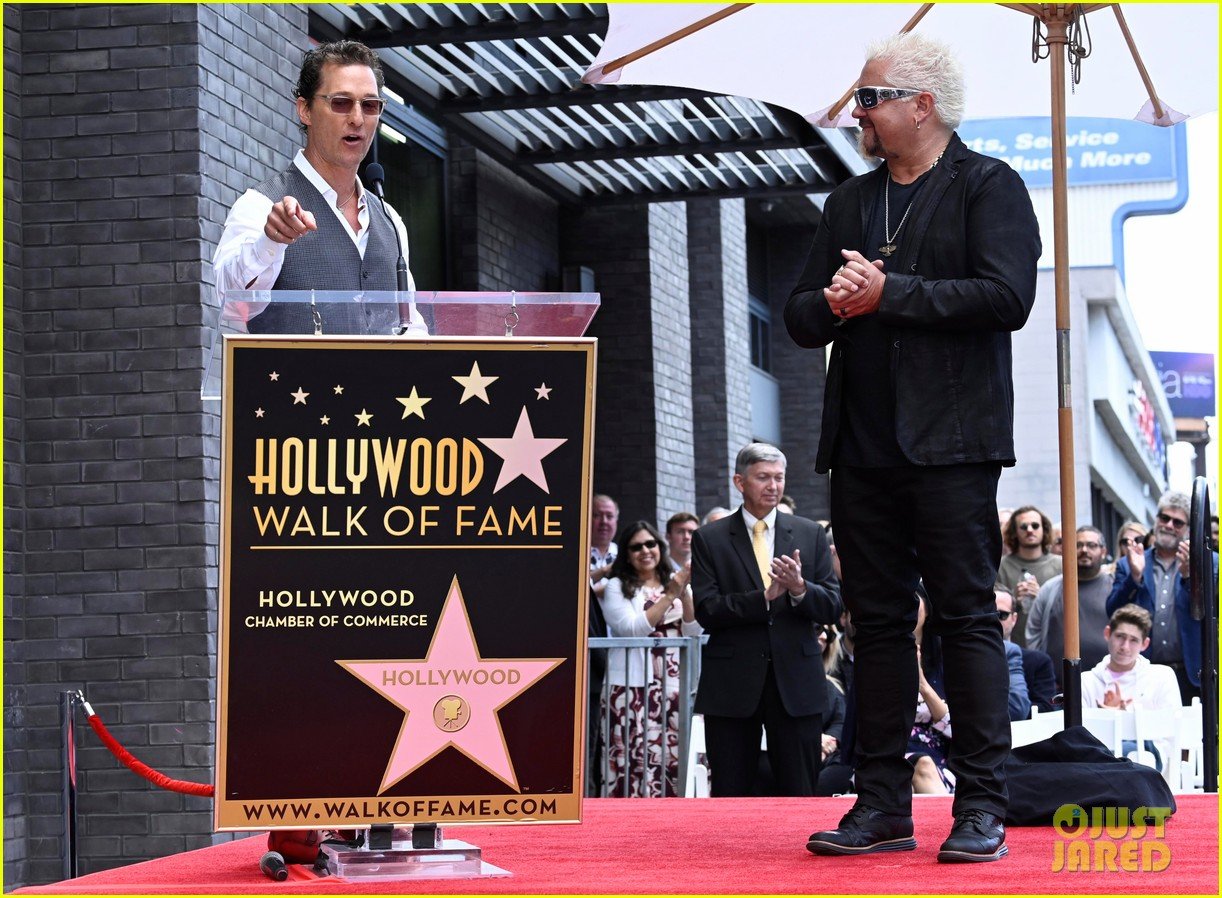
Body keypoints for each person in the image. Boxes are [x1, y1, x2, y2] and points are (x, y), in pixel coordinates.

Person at [787, 31, 1040, 863]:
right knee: (880, 624)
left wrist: (890, 293)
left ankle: (981, 804)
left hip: (952, 446)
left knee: (967, 617)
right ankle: (883, 802)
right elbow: (797, 315)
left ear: (920, 106)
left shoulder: (988, 187)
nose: (854, 111)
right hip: (861, 446)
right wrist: (835, 298)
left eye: (869, 97)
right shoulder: (850, 203)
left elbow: (1006, 295)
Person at [214, 41, 415, 334]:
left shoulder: (391, 222)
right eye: (341, 102)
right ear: (305, 110)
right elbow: (230, 304)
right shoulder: (259, 205)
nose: (357, 118)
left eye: (369, 105)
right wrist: (268, 243)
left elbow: (411, 325)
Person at [691, 442, 841, 797]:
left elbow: (833, 606)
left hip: (796, 681)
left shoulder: (809, 533)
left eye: (779, 478)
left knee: (800, 790)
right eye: (763, 478)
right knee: (731, 790)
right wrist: (763, 599)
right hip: (732, 682)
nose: (773, 486)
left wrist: (800, 588)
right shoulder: (709, 539)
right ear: (739, 482)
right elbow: (707, 610)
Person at [599, 522, 702, 797]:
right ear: (627, 554)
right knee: (632, 758)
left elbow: (693, 631)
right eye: (636, 547)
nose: (645, 550)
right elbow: (632, 628)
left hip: (673, 685)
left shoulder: (676, 579)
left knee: (673, 756)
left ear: (660, 546)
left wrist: (685, 593)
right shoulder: (616, 586)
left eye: (650, 544)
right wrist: (670, 595)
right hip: (631, 687)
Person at [1106, 490, 1217, 704]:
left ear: (1188, 529)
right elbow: (1113, 612)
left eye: (1178, 522)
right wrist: (1135, 577)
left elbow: (1209, 612)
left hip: (1193, 672)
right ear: (1156, 520)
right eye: (1164, 518)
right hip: (1143, 672)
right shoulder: (1129, 563)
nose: (1169, 525)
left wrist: (1189, 578)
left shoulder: (1210, 563)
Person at [1081, 604, 1181, 774]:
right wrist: (1106, 716)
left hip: (1149, 757)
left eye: (1133, 640)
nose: (1125, 646)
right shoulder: (1086, 680)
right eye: (1120, 637)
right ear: (1107, 634)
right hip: (1098, 760)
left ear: (1145, 644)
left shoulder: (1162, 676)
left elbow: (1172, 730)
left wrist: (1123, 715)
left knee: (1132, 752)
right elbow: (1080, 737)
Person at [1024, 526, 1113, 687]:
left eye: (1091, 545)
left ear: (1104, 551)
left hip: (1106, 687)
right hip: (1058, 689)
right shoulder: (1050, 589)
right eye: (1078, 545)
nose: (1084, 550)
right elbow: (1033, 633)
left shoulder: (1114, 589)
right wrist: (1044, 676)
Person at [585, 493, 620, 796]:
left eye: (609, 516)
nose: (603, 522)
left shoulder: (626, 556)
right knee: (590, 733)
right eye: (597, 515)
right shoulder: (578, 555)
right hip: (590, 665)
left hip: (622, 661)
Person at [996, 506, 1062, 648]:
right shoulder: (1001, 566)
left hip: (1052, 646)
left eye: (1035, 525)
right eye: (1024, 526)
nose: (1030, 530)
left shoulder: (1060, 565)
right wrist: (1013, 600)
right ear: (1014, 532)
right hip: (1013, 647)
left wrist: (1042, 598)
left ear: (1044, 529)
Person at [995, 587, 1057, 714]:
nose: (994, 621)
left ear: (1014, 619)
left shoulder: (1038, 661)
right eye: (990, 614)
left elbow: (1047, 708)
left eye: (1002, 615)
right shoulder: (966, 657)